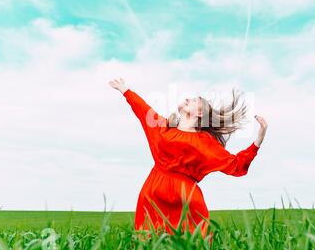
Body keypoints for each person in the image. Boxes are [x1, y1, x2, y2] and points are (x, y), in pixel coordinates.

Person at [109, 78, 268, 241]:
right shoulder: (163, 127)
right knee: (148, 241)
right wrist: (125, 90)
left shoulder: (205, 142)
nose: (187, 99)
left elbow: (235, 165)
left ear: (200, 113)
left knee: (192, 246)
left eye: (193, 101)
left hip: (186, 198)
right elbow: (142, 109)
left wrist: (258, 141)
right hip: (152, 194)